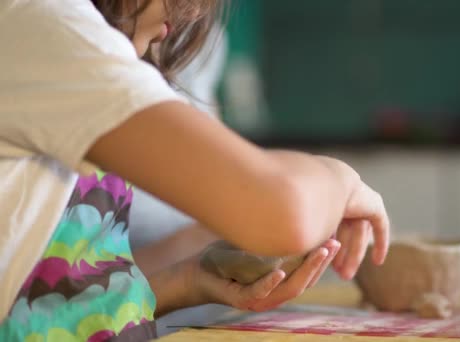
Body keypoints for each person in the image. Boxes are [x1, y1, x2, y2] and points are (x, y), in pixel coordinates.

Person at [0, 0, 390, 340]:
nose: (188, 11)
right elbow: (283, 211)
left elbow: (43, 300)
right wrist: (342, 180)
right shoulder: (43, 21)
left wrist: (187, 280)